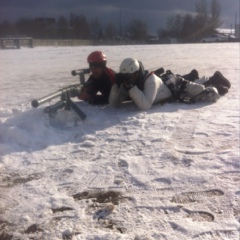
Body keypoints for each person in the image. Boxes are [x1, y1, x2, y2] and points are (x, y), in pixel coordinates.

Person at [109, 58, 222, 111]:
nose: (128, 79)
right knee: (196, 85)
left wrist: (131, 88)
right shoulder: (130, 83)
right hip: (166, 82)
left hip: (176, 86)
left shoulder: (150, 80)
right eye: (125, 76)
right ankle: (193, 75)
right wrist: (116, 86)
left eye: (130, 75)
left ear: (137, 73)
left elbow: (145, 105)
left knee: (205, 92)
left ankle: (215, 80)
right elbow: (113, 104)